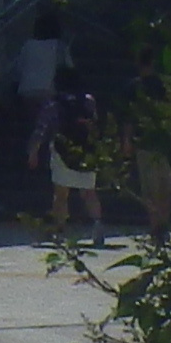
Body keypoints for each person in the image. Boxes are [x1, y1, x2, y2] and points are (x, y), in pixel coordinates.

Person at [44, 76, 105, 239]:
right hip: (86, 150)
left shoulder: (56, 102)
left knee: (61, 193)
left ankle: (59, 229)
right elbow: (95, 124)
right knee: (89, 192)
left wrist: (34, 148)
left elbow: (44, 125)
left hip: (62, 150)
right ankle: (97, 225)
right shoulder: (88, 100)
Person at [13, 6, 71, 170]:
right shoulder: (59, 46)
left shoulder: (28, 45)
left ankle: (30, 155)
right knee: (50, 126)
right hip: (48, 91)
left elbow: (18, 68)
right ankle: (47, 158)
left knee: (35, 125)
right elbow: (68, 69)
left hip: (27, 92)